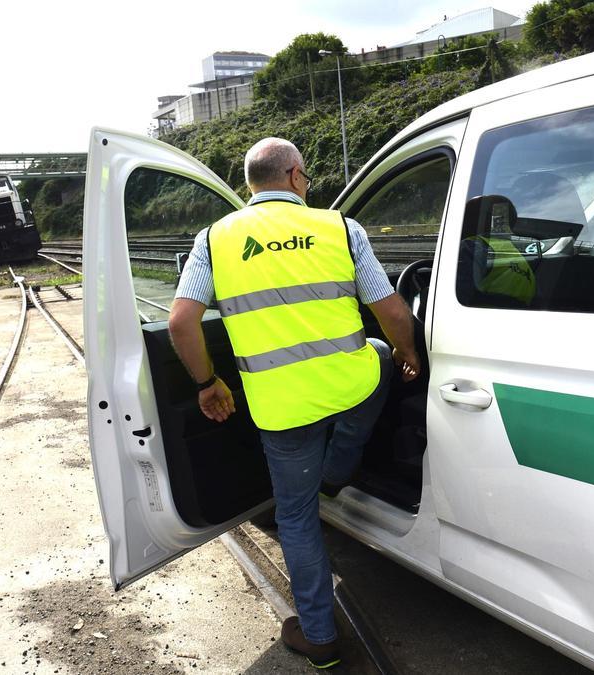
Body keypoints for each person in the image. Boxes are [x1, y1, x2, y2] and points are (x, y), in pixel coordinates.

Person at [167, 137, 420, 669]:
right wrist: (408, 355)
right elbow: (392, 310)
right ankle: (341, 465)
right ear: (297, 176)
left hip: (283, 411)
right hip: (349, 385)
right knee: (377, 360)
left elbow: (181, 321)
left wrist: (207, 383)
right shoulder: (340, 228)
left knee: (298, 517)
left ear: (252, 185)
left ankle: (319, 636)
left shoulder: (214, 240)